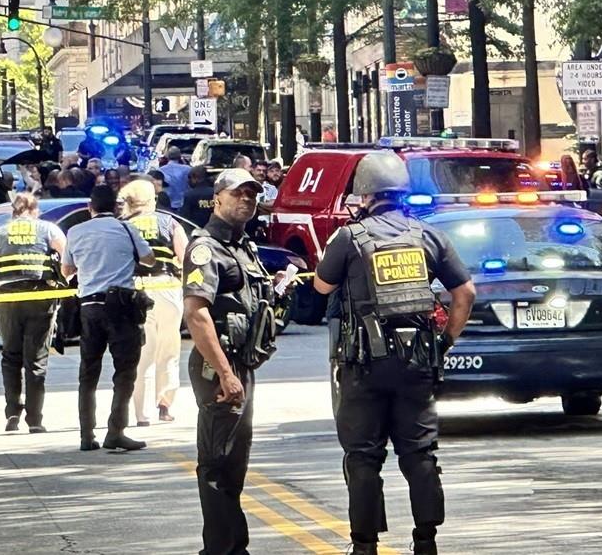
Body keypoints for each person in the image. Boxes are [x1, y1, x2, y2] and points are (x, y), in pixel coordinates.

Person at [314, 152, 476, 555]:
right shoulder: (427, 234)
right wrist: (445, 340)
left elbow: (320, 286)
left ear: (365, 195)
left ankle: (365, 545)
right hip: (417, 361)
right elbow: (465, 293)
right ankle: (426, 542)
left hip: (363, 364)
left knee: (364, 457)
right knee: (419, 454)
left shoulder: (351, 238)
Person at [183, 168, 279, 555]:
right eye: (238, 193)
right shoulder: (206, 248)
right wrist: (225, 373)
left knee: (235, 465)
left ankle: (235, 547)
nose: (246, 200)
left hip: (241, 365)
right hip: (218, 368)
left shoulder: (243, 247)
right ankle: (220, 550)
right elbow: (197, 314)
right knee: (217, 465)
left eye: (252, 194)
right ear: (218, 198)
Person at [61, 185, 155, 452]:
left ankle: (86, 435)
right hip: (121, 308)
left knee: (88, 373)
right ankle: (115, 431)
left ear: (90, 208)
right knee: (124, 373)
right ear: (115, 208)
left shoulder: (75, 232)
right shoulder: (127, 228)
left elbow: (66, 270)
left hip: (89, 308)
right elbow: (149, 259)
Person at [0, 193, 66, 433]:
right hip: (40, 298)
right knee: (36, 360)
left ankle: (13, 413)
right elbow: (67, 262)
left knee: (11, 356)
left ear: (13, 212)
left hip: (8, 299)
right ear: (35, 211)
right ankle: (35, 420)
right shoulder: (48, 229)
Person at [122, 179, 188, 426]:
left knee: (142, 352)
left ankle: (141, 414)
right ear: (152, 200)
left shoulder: (125, 226)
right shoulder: (169, 222)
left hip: (138, 290)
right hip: (169, 288)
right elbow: (186, 256)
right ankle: (165, 404)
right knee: (169, 350)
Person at [158, 145, 192, 209]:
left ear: (167, 156)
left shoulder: (160, 170)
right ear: (179, 156)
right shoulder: (188, 169)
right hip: (183, 203)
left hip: (167, 205)